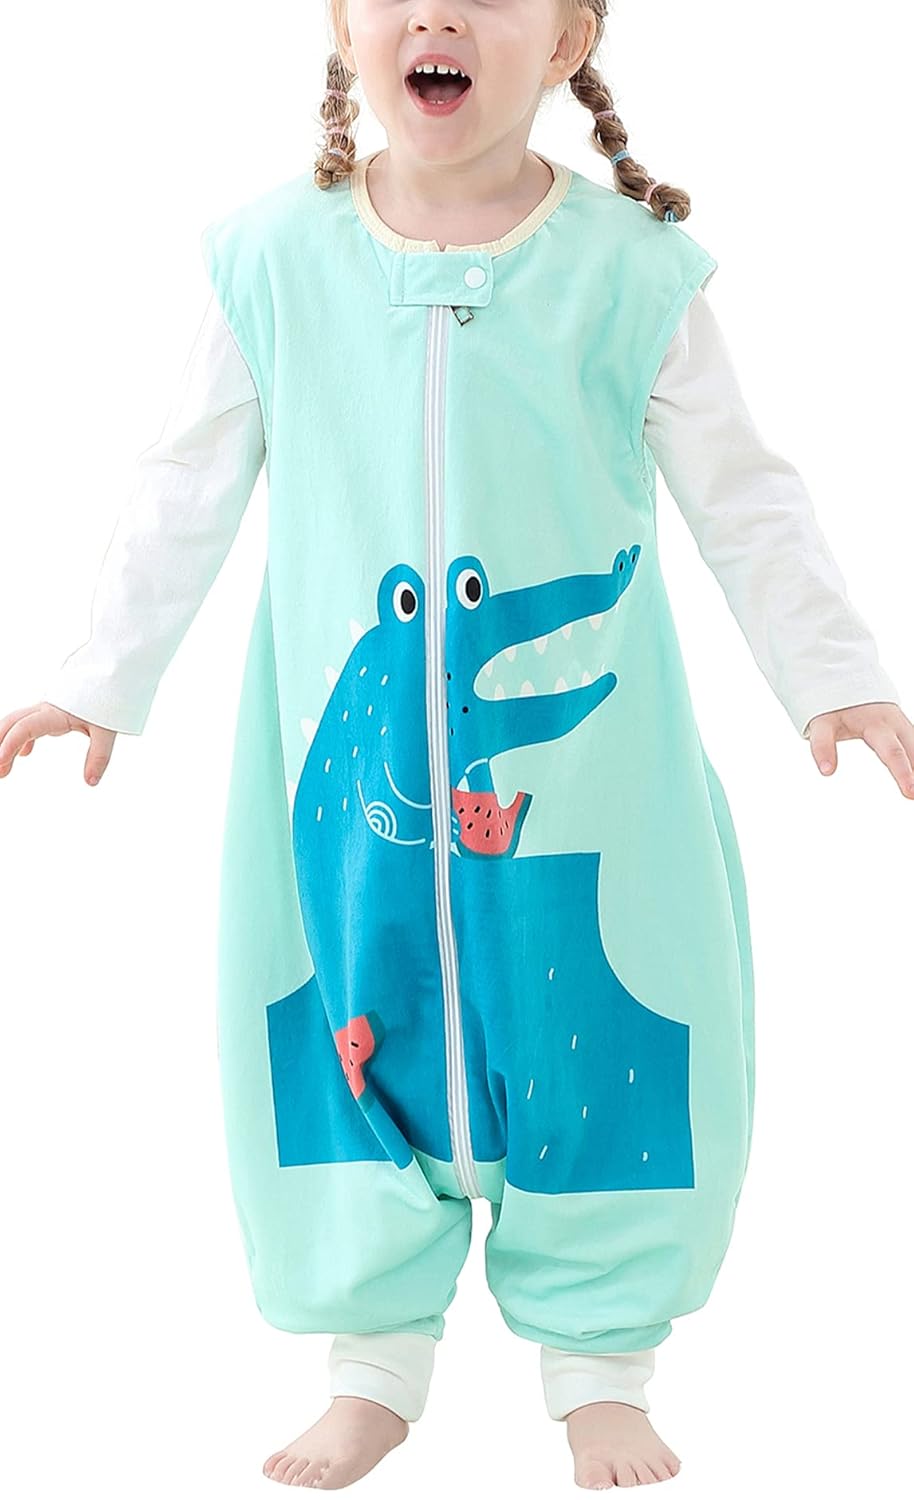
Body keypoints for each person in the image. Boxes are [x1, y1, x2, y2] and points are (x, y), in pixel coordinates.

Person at [2, 1, 911, 1491]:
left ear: (566, 37)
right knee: (342, 1026)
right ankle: (372, 1357)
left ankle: (600, 1360)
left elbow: (744, 492)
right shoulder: (273, 262)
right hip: (348, 804)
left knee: (602, 1029)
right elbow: (183, 482)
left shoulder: (629, 275)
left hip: (585, 789)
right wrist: (99, 675)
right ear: (344, 25)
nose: (436, 12)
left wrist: (833, 676)